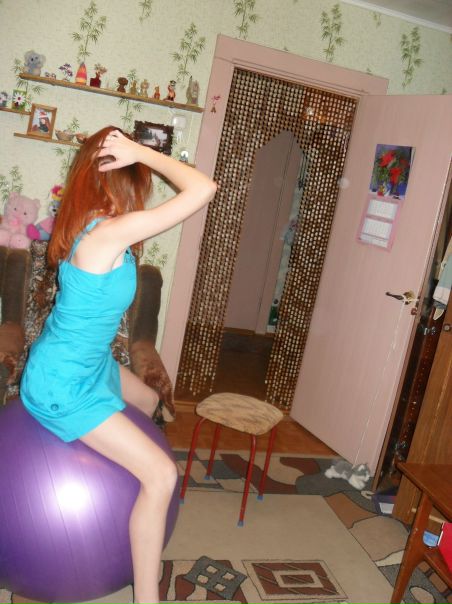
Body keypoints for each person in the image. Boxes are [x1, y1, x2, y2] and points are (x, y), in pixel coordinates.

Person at [20, 126, 217, 604]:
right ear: (124, 179)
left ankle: (128, 490)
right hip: (62, 382)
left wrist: (135, 154)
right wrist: (144, 153)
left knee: (148, 400)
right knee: (162, 475)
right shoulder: (109, 232)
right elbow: (203, 188)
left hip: (87, 362)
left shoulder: (96, 223)